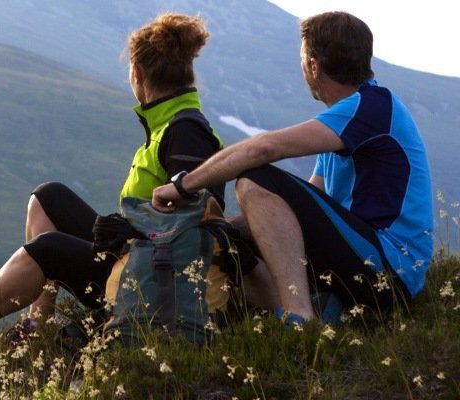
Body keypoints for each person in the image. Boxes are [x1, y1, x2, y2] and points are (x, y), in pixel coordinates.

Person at [0, 12, 226, 351]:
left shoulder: (184, 130)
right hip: (137, 255)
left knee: (46, 248)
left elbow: (197, 221)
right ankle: (37, 327)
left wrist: (134, 233)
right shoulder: (170, 124)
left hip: (149, 278)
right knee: (48, 198)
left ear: (137, 73)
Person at [152, 11, 433, 325]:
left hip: (390, 270)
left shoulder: (372, 106)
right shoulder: (346, 121)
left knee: (255, 177)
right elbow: (298, 211)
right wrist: (226, 228)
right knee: (227, 239)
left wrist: (183, 185)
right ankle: (317, 308)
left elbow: (263, 148)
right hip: (366, 262)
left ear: (313, 66)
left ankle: (299, 318)